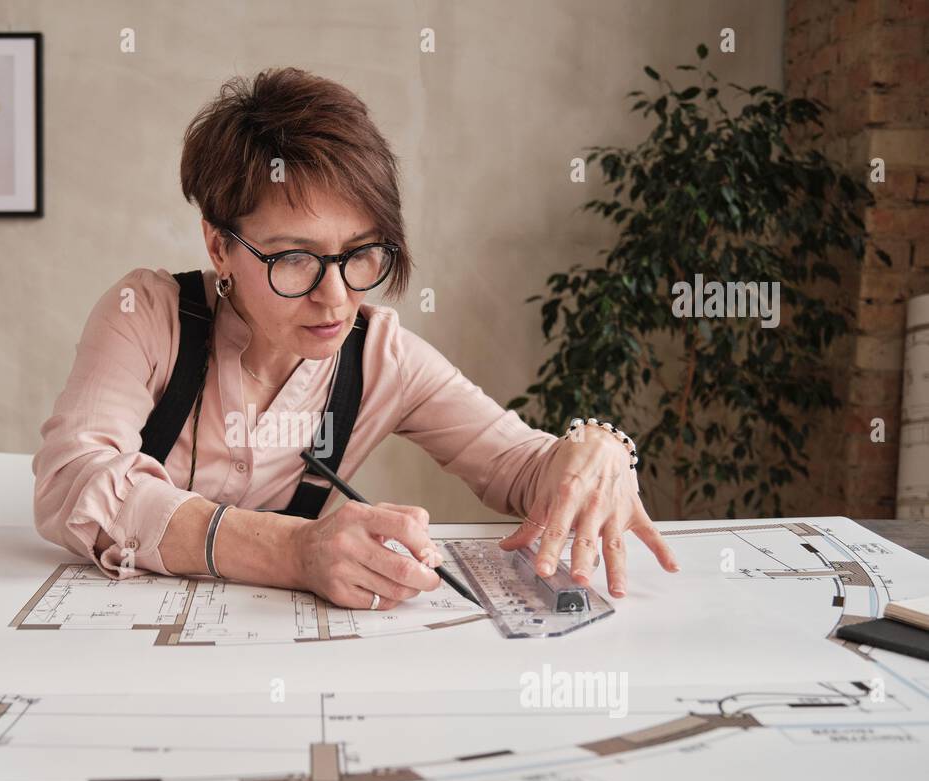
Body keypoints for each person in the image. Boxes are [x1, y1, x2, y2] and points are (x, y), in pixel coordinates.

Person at [34, 67, 678, 611]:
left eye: (361, 253)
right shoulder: (146, 315)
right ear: (218, 246)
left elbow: (522, 468)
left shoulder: (382, 359)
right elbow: (74, 484)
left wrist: (598, 452)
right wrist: (294, 550)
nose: (336, 297)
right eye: (293, 258)